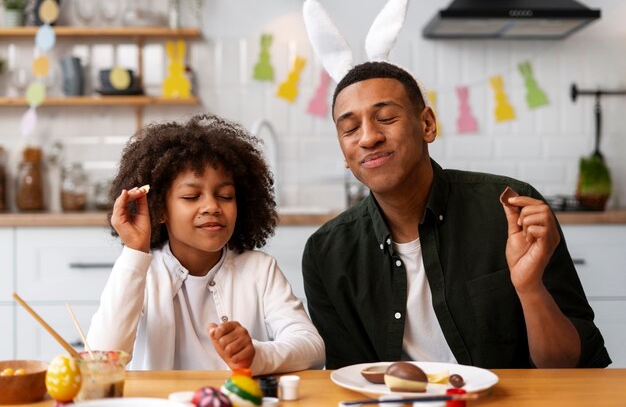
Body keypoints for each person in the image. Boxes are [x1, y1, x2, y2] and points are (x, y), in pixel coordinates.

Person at [302, 60, 611, 370]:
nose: (368, 138)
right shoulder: (326, 254)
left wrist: (530, 288)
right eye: (350, 129)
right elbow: (349, 381)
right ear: (344, 152)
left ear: (427, 125)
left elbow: (568, 365)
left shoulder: (510, 212)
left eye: (385, 118)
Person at [87, 114, 325, 374]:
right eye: (191, 196)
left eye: (225, 195)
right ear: (160, 210)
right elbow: (102, 359)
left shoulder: (260, 270)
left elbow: (312, 348)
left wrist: (256, 355)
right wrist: (134, 251)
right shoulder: (144, 273)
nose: (212, 206)